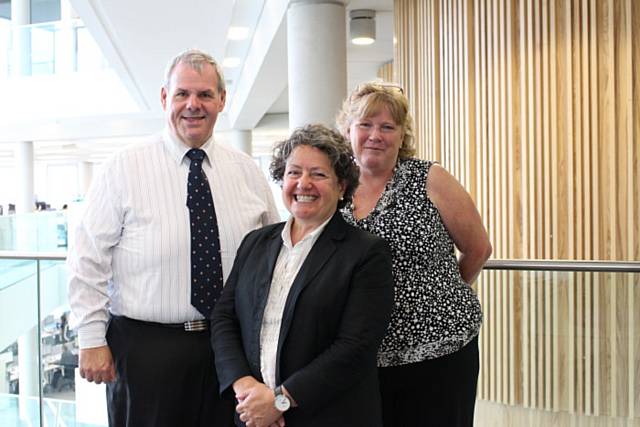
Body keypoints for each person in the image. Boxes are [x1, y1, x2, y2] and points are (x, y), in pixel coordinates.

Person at [67, 48, 280, 427]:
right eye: (182, 94)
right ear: (165, 98)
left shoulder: (248, 173)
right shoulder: (122, 168)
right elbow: (88, 258)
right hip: (147, 350)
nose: (192, 105)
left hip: (230, 349)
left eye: (204, 95)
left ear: (222, 101)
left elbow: (273, 259)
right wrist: (91, 338)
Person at [211, 124, 394, 427]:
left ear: (341, 187)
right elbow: (224, 318)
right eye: (293, 172)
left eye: (318, 174)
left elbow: (355, 347)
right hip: (254, 414)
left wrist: (280, 401)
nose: (303, 184)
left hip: (329, 416)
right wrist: (245, 387)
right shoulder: (255, 243)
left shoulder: (366, 253)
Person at [336, 82, 493, 427]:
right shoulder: (336, 190)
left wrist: (441, 291)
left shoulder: (429, 179)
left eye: (387, 126)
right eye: (365, 124)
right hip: (366, 358)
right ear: (348, 130)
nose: (375, 135)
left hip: (441, 351)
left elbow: (478, 248)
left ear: (402, 135)